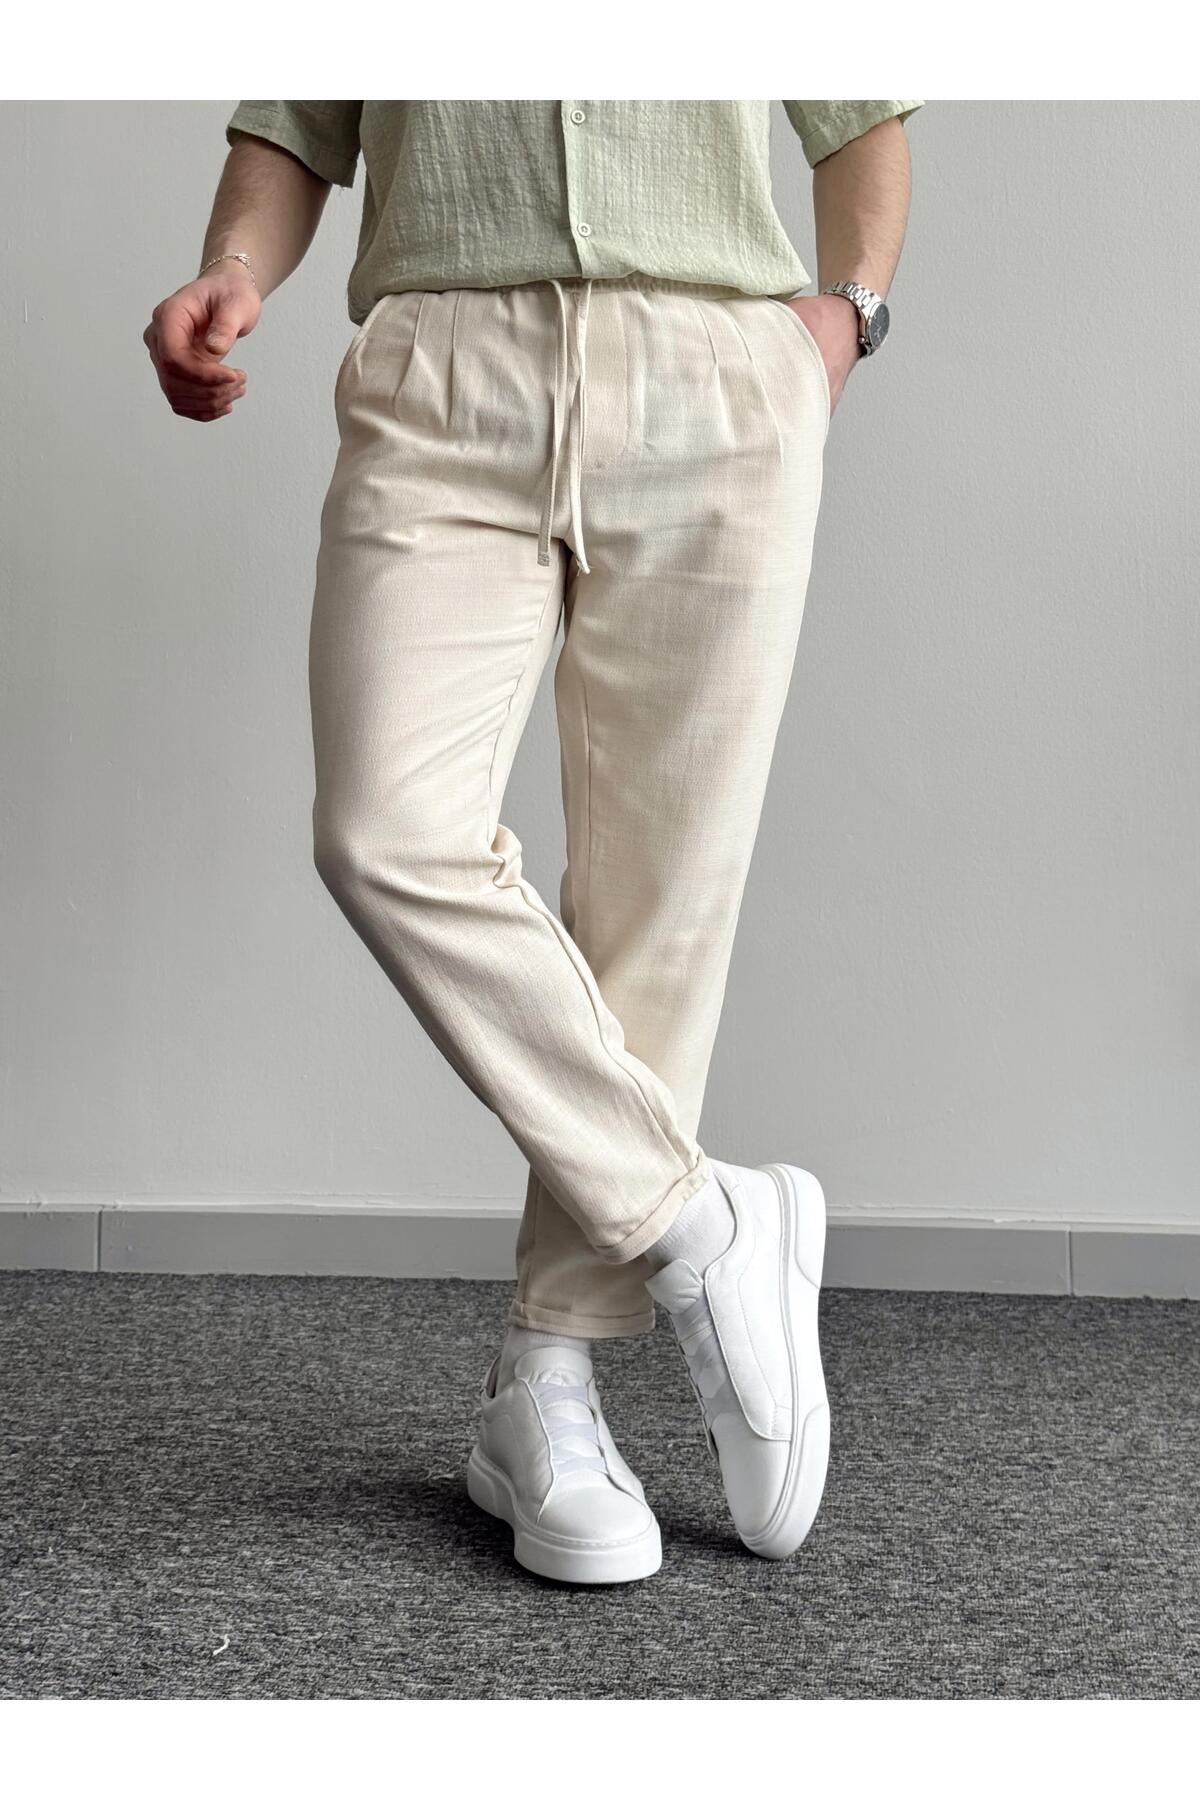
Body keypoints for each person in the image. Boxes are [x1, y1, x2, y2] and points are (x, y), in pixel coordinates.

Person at [144, 99, 921, 1585]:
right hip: (447, 369)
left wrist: (848, 316)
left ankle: (545, 1386)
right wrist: (233, 267)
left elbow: (862, 109)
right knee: (387, 830)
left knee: (658, 906)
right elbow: (297, 120)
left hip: (713, 368)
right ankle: (705, 1229)